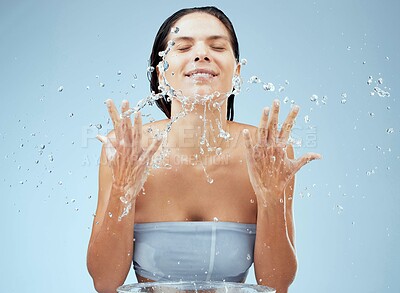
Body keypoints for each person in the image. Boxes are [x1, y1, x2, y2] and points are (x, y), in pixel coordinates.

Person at [87, 6, 321, 293]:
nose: (201, 54)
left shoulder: (267, 152)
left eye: (217, 46)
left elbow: (276, 284)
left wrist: (270, 199)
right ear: (161, 73)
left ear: (237, 72)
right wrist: (122, 193)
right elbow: (105, 282)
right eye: (183, 47)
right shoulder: (126, 150)